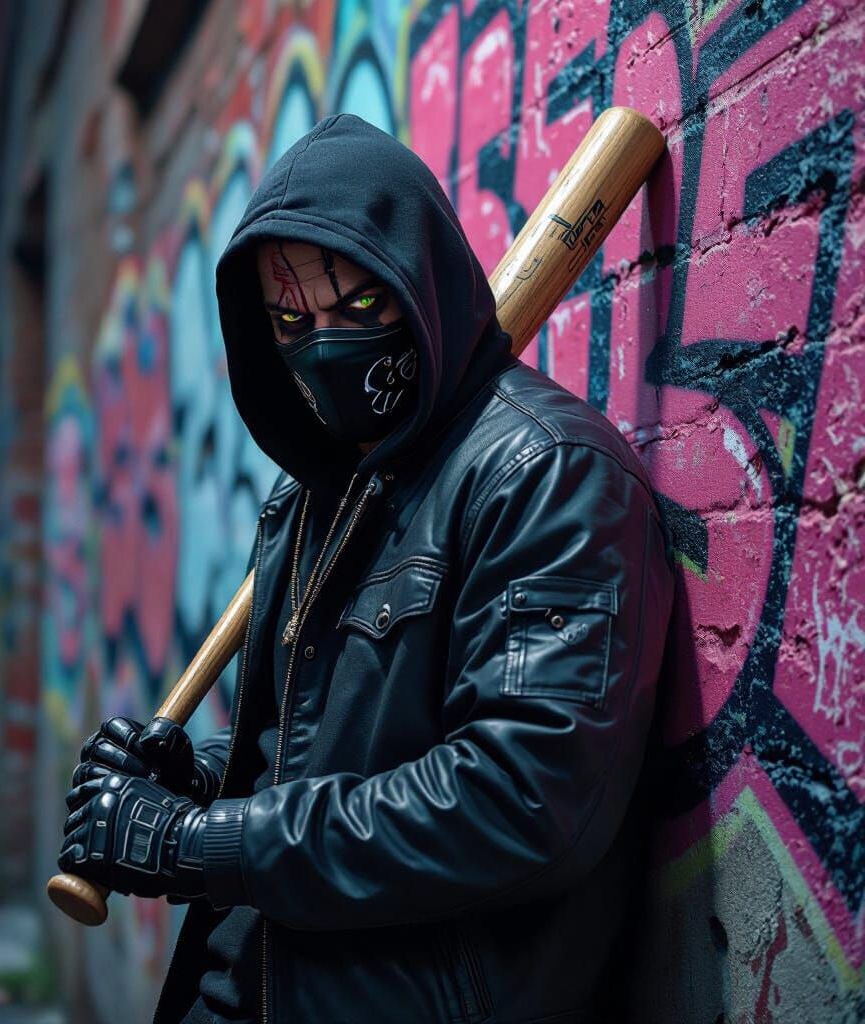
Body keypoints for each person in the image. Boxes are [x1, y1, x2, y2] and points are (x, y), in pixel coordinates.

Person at [59, 113, 674, 1024]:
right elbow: (328, 744)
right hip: (254, 982)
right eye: (291, 320)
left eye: (361, 306)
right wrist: (201, 777)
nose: (326, 343)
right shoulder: (322, 489)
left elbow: (520, 799)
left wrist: (199, 843)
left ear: (418, 279)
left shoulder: (546, 473)